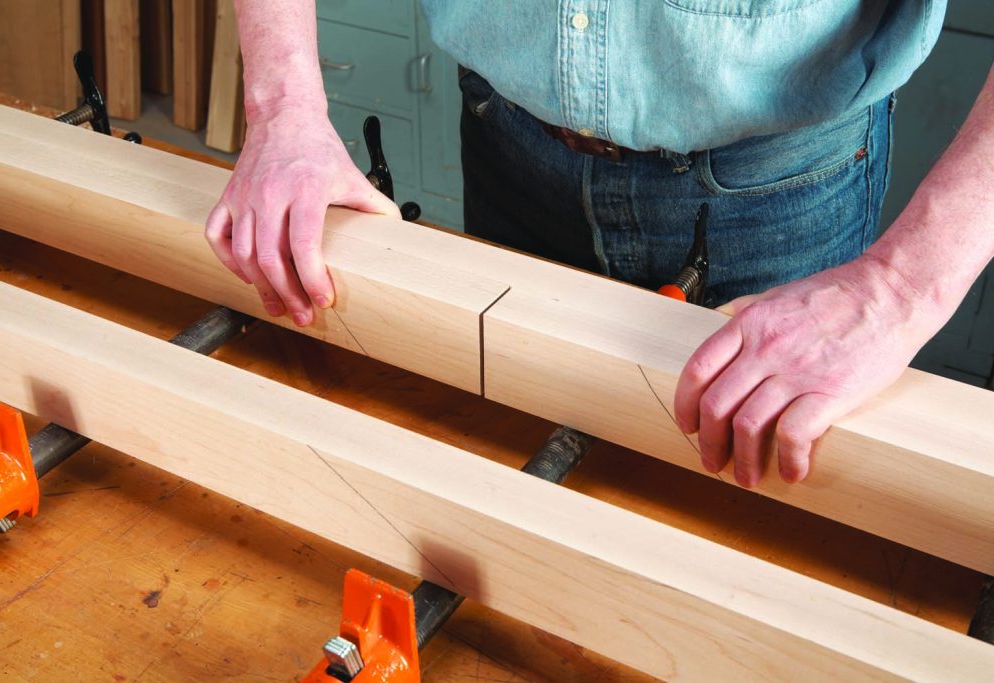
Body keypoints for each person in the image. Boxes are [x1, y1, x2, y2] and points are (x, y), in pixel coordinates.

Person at [206, 1, 994, 488]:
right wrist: (282, 106)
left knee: (761, 531)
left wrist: (903, 286)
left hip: (782, 182)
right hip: (506, 136)